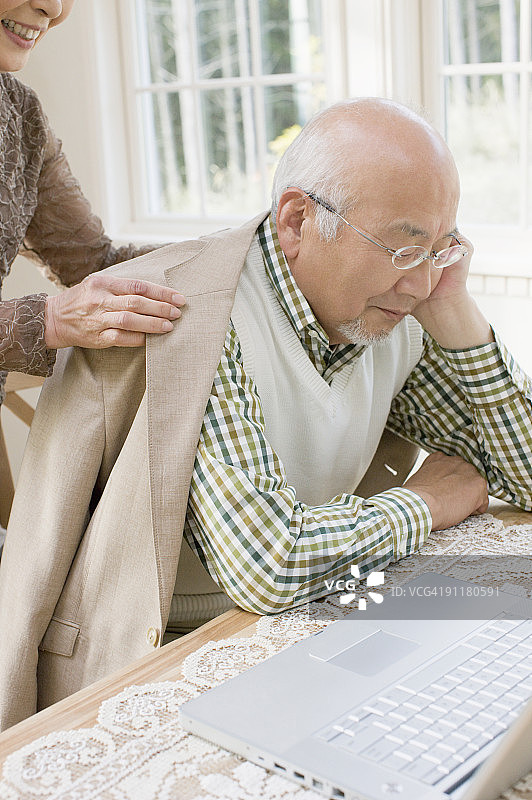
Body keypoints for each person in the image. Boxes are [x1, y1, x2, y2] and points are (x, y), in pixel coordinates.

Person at [1, 98, 531, 731]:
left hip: (309, 616)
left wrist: (462, 319)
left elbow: (521, 474)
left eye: (440, 250)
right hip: (159, 649)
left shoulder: (398, 307)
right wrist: (424, 503)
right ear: (297, 221)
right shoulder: (201, 317)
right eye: (401, 250)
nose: (419, 285)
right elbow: (269, 565)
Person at [0, 0, 186, 552]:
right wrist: (51, 320)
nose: (53, 9)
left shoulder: (18, 117)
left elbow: (97, 263)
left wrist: (260, 246)